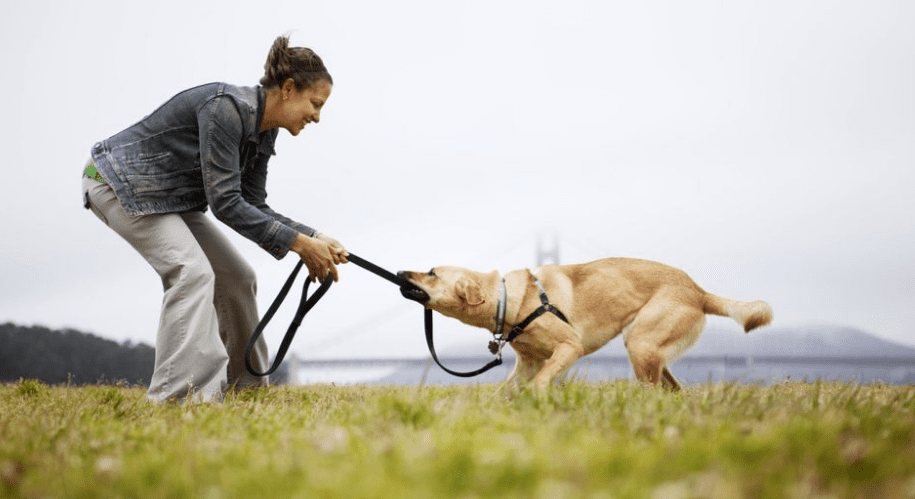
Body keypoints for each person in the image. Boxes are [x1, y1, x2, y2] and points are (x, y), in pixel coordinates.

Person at [81, 35, 348, 402]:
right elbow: (225, 203)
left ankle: (247, 392)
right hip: (116, 183)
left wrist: (314, 236)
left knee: (238, 277)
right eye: (316, 104)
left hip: (170, 199)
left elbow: (253, 204)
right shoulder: (225, 109)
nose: (317, 116)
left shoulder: (263, 134)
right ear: (288, 89)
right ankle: (178, 398)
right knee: (192, 273)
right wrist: (301, 245)